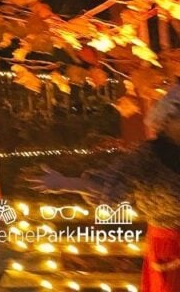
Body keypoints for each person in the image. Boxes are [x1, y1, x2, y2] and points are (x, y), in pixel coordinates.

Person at [26, 85, 180, 292]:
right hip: (171, 249)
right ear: (167, 118)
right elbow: (112, 182)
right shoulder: (148, 157)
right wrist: (67, 183)